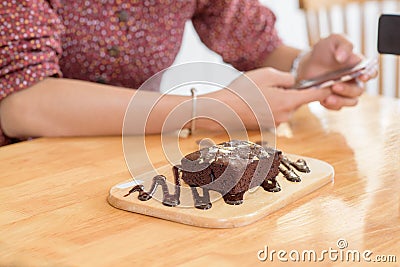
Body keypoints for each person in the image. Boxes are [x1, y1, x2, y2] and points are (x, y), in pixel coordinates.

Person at [0, 0, 376, 146]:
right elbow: (23, 105)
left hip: (121, 164)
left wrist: (307, 66)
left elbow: (257, 45)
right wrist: (204, 111)